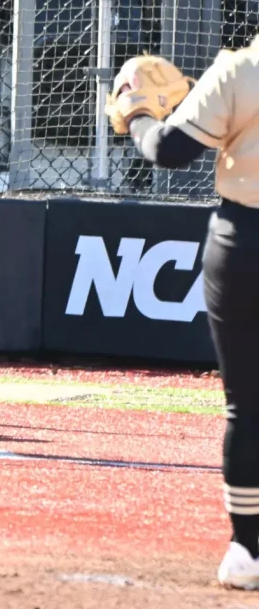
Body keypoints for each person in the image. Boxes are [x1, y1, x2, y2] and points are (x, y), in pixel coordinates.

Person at [105, 48, 259, 590]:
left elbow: (169, 151)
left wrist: (138, 112)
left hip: (242, 240)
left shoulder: (242, 67)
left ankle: (246, 549)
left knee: (247, 404)